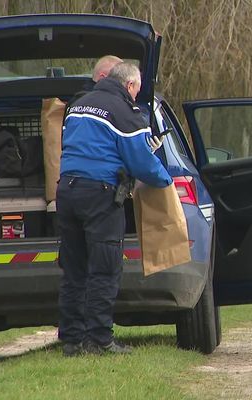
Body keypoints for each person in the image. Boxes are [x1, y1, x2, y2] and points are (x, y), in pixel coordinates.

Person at [57, 62, 172, 356]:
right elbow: (141, 162)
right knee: (104, 268)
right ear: (131, 86)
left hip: (67, 190)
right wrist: (164, 179)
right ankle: (99, 339)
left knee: (74, 268)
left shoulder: (78, 105)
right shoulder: (125, 112)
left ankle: (71, 339)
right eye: (137, 90)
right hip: (100, 194)